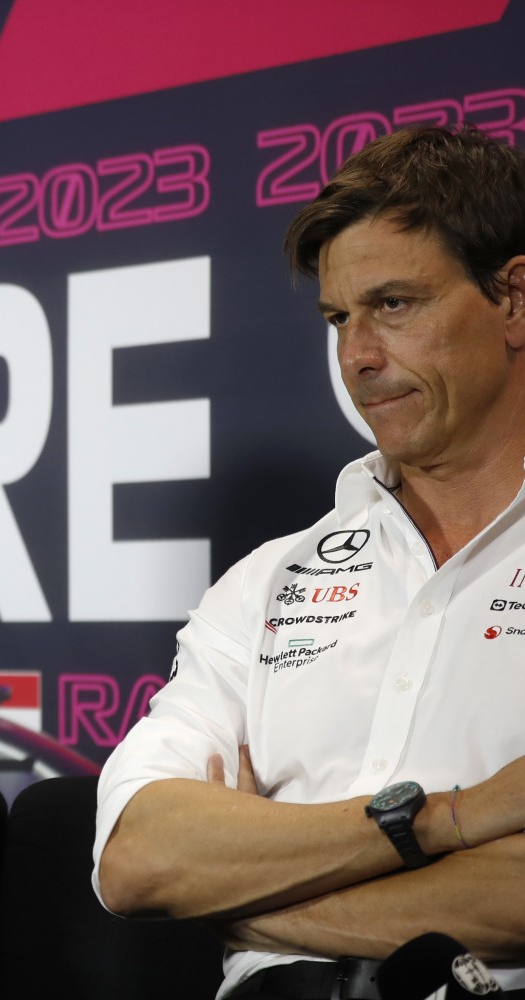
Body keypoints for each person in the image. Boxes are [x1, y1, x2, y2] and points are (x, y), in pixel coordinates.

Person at [92, 124, 525, 999]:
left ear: (513, 299)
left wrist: (248, 892)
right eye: (339, 318)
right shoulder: (264, 584)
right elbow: (138, 857)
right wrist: (448, 821)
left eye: (395, 305)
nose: (358, 357)